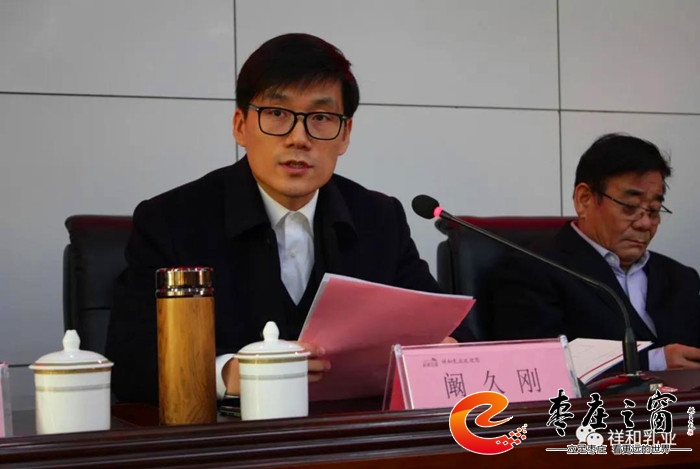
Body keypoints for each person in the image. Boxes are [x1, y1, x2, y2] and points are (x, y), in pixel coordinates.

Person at [105, 33, 442, 404]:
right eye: (278, 114)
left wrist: (443, 351)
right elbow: (130, 364)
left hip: (350, 432)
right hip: (233, 434)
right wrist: (231, 374)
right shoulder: (171, 220)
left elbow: (447, 325)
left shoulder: (379, 218)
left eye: (321, 117)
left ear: (345, 134)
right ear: (240, 126)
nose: (299, 138)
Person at [488, 133, 700, 371]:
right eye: (630, 207)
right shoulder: (531, 270)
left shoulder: (682, 277)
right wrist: (653, 362)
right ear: (584, 199)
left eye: (653, 210)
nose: (645, 223)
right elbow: (536, 366)